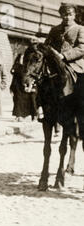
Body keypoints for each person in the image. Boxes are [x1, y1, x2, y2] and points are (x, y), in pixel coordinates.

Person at [44, 3, 84, 138]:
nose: (67, 17)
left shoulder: (80, 29)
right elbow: (47, 45)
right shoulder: (54, 29)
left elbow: (81, 48)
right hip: (55, 63)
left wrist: (64, 56)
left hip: (75, 64)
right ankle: (41, 108)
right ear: (60, 15)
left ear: (74, 15)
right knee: (43, 80)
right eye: (64, 14)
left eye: (70, 14)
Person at [10, 52, 37, 121]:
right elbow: (12, 72)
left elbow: (28, 75)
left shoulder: (27, 66)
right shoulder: (16, 65)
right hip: (17, 85)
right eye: (21, 58)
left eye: (23, 58)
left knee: (27, 101)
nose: (22, 59)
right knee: (17, 100)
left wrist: (29, 85)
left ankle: (28, 115)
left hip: (25, 85)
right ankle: (18, 115)